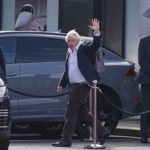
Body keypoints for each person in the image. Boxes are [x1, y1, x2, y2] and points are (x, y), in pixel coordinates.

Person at [51, 18, 110, 147]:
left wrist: (97, 32)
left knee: (70, 111)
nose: (70, 43)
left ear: (77, 40)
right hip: (74, 86)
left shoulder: (83, 48)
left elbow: (95, 46)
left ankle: (66, 140)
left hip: (82, 85)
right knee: (83, 114)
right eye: (68, 41)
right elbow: (67, 71)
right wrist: (62, 84)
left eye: (72, 40)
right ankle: (103, 131)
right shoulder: (69, 53)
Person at [136, 35, 150, 143]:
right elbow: (141, 60)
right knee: (146, 108)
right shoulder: (144, 41)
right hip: (147, 80)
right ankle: (144, 135)